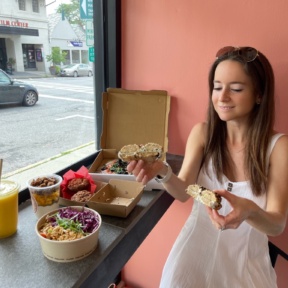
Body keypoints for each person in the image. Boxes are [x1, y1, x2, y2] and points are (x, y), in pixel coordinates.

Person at [127, 46, 288, 287]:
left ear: (259, 94)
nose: (222, 97)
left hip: (245, 266)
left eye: (235, 89)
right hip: (192, 259)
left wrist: (251, 211)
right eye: (217, 87)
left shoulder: (278, 147)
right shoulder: (203, 134)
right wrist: (161, 170)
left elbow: (277, 225)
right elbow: (183, 192)